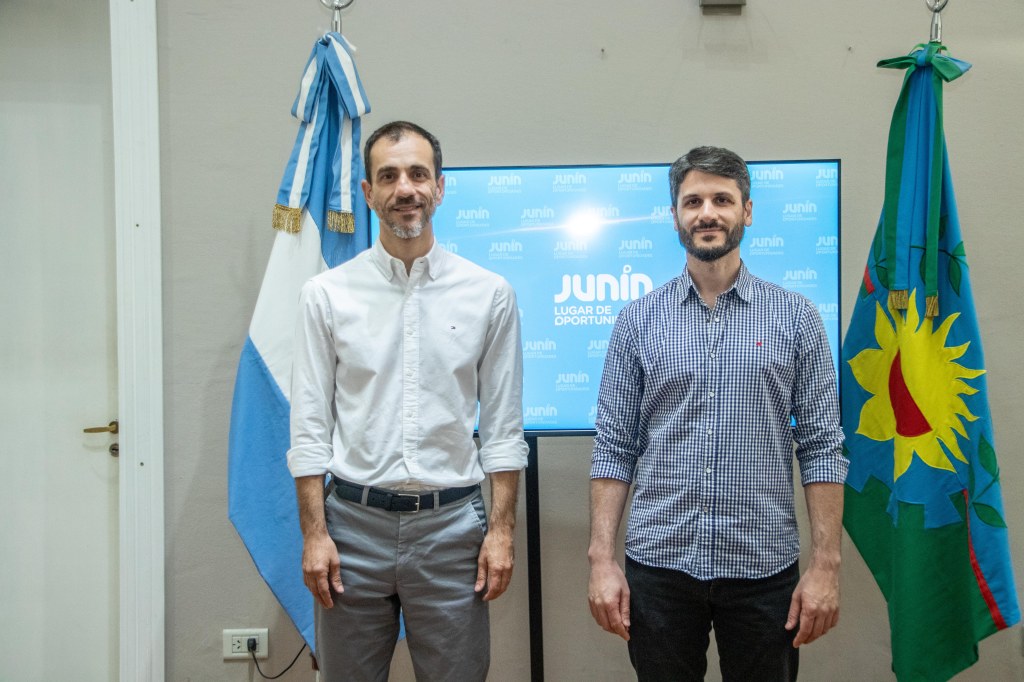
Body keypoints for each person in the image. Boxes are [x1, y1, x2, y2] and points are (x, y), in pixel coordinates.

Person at [587, 146, 847, 681]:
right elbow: (614, 446)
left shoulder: (797, 319)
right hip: (660, 568)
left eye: (722, 199)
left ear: (747, 211)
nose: (707, 213)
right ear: (675, 215)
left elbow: (822, 447)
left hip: (763, 568)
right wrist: (601, 559)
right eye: (693, 201)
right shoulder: (636, 320)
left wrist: (826, 565)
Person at [287, 120, 528, 681]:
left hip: (451, 531)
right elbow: (309, 427)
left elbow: (502, 430)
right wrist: (315, 535)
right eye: (389, 176)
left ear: (440, 187)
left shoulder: (489, 294)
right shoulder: (325, 296)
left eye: (419, 174)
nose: (406, 189)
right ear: (368, 193)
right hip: (350, 529)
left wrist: (501, 531)